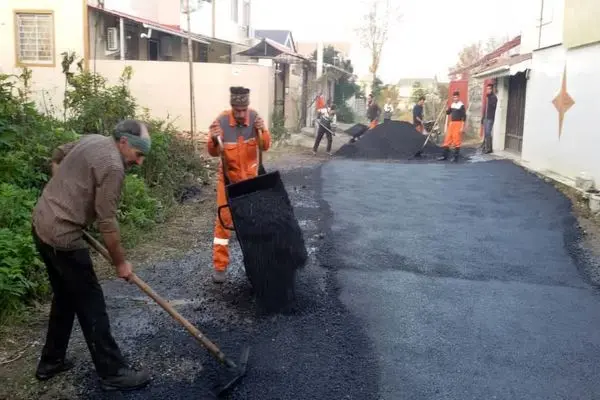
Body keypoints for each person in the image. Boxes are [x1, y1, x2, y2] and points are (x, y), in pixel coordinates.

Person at [31, 120, 152, 391]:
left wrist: (63, 190)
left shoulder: (94, 139)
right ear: (123, 142)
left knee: (65, 297)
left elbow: (58, 154)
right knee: (91, 303)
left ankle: (50, 362)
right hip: (62, 238)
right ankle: (113, 373)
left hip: (41, 224)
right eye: (138, 154)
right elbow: (106, 222)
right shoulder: (112, 166)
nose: (140, 162)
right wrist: (121, 263)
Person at [207, 86, 271, 284]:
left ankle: (256, 263)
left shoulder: (255, 118)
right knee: (224, 222)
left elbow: (265, 146)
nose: (242, 114)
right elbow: (212, 152)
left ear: (248, 107)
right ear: (232, 107)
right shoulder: (222, 122)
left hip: (250, 179)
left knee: (253, 222)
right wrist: (213, 138)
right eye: (238, 110)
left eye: (244, 110)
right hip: (227, 179)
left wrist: (263, 130)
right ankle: (220, 266)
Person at [438, 91, 466, 162]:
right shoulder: (452, 104)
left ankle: (455, 158)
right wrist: (447, 105)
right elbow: (448, 112)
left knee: (456, 140)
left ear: (458, 97)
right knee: (447, 139)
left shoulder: (461, 105)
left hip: (458, 123)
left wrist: (462, 127)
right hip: (452, 124)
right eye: (454, 97)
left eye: (456, 97)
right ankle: (444, 156)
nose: (455, 98)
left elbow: (464, 116)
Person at [481, 83, 497, 154]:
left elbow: (493, 106)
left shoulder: (494, 97)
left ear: (492, 89)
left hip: (490, 118)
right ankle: (484, 146)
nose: (488, 90)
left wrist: (489, 97)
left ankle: (489, 148)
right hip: (485, 117)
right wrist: (483, 117)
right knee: (485, 133)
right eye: (487, 89)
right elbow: (485, 108)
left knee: (488, 132)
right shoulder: (487, 97)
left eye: (489, 89)